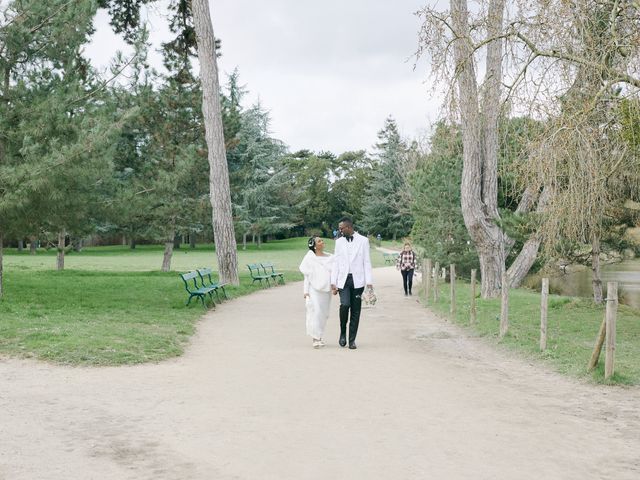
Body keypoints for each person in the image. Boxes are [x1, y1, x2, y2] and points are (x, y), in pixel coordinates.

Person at [330, 217, 373, 350]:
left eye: (341, 228)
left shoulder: (363, 241)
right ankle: (343, 332)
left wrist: (369, 282)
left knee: (356, 310)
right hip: (343, 280)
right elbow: (336, 262)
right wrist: (333, 281)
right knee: (345, 304)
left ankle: (352, 340)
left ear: (349, 227)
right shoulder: (339, 243)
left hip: (358, 281)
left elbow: (366, 262)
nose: (340, 230)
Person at [299, 236, 334, 349]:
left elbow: (334, 274)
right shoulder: (309, 258)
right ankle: (316, 338)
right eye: (319, 241)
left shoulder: (330, 258)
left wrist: (335, 286)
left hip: (326, 290)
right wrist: (306, 291)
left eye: (322, 240)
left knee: (324, 314)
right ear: (314, 246)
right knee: (315, 313)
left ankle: (319, 335)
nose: (322, 242)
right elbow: (307, 276)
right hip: (314, 290)